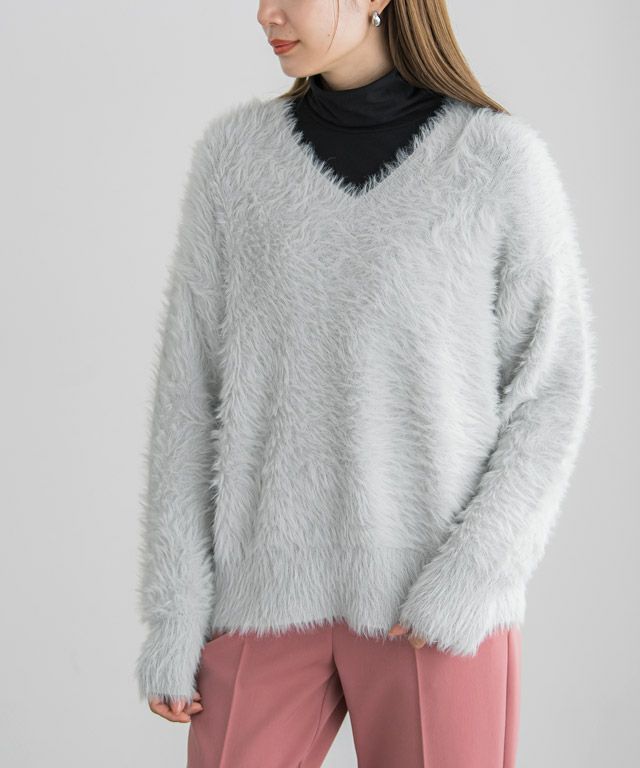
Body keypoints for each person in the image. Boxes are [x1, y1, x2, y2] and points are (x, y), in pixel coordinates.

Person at [134, 1, 596, 766]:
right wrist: (176, 611)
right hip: (263, 596)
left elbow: (550, 390)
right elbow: (189, 396)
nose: (265, 13)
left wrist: (473, 574)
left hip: (431, 602)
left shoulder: (496, 160)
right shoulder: (234, 160)